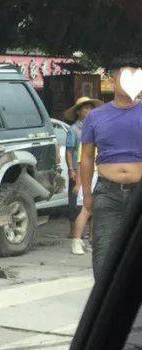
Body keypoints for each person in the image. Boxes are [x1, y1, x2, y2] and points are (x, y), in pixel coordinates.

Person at [81, 55, 142, 278]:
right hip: (107, 193)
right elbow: (86, 157)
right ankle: (107, 306)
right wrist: (87, 195)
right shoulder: (95, 117)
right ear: (112, 81)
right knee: (104, 254)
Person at [65, 97, 100, 254]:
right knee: (83, 208)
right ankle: (76, 239)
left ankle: (92, 240)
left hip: (98, 172)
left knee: (95, 210)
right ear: (78, 111)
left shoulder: (96, 127)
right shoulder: (75, 130)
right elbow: (74, 154)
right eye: (85, 108)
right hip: (84, 173)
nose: (88, 111)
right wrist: (73, 173)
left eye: (90, 108)